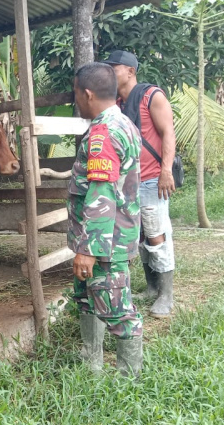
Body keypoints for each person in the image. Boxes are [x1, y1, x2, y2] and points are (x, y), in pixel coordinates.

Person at [68, 62, 143, 376]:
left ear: (87, 94)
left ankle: (129, 379)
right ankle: (92, 363)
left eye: (76, 94)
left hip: (104, 243)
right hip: (108, 237)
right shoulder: (123, 122)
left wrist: (88, 249)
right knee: (88, 299)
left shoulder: (104, 133)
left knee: (117, 310)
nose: (76, 101)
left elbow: (102, 192)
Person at [103, 50, 176, 318]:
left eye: (114, 68)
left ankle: (166, 295)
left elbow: (168, 132)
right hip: (128, 182)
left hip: (152, 179)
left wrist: (166, 170)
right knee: (141, 235)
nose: (110, 73)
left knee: (157, 234)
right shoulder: (116, 104)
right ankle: (151, 287)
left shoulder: (151, 96)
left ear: (130, 71)